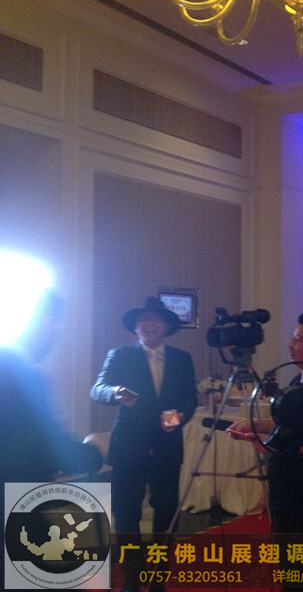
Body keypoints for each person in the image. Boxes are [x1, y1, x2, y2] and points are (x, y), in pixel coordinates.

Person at [0, 252, 103, 587]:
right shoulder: (22, 372)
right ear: (41, 319)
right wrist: (94, 450)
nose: (57, 334)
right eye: (56, 324)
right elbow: (49, 449)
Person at [228, 313, 303, 533]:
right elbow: (285, 423)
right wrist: (253, 425)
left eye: (298, 339)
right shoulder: (300, 379)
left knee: (300, 549)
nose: (291, 344)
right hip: (286, 485)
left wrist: (268, 446)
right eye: (292, 338)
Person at [90, 297, 197, 534]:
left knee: (167, 506)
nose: (150, 324)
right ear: (136, 325)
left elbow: (189, 399)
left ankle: (162, 557)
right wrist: (114, 392)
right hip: (129, 443)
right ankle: (131, 558)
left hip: (167, 443)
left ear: (166, 326)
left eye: (156, 319)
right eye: (145, 319)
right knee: (126, 507)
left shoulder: (181, 358)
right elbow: (97, 389)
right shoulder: (120, 355)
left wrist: (177, 418)